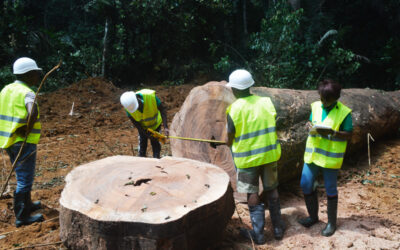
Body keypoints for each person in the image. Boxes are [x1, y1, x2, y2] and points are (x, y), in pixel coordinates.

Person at [225, 69, 285, 244]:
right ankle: (278, 228)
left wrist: (226, 142)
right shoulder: (266, 102)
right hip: (269, 155)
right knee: (272, 189)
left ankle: (258, 234)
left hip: (247, 159)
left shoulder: (233, 109)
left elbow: (229, 138)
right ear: (251, 86)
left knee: (252, 192)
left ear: (234, 90)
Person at [298, 79, 353, 237]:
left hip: (330, 158)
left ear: (336, 98)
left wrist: (333, 133)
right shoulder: (315, 106)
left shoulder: (344, 112)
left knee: (330, 188)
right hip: (313, 153)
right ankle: (313, 217)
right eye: (321, 98)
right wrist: (309, 126)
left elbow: (349, 134)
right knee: (305, 183)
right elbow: (310, 121)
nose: (323, 102)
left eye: (327, 100)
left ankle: (331, 223)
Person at [0, 57, 44, 227]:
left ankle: (28, 204)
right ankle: (22, 216)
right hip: (23, 142)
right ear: (28, 74)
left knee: (21, 175)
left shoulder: (5, 90)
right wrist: (26, 128)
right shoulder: (27, 92)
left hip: (8, 140)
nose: (37, 77)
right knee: (25, 178)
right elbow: (32, 112)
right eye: (35, 74)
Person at [120, 89, 169, 158]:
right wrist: (145, 133)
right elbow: (136, 123)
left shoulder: (151, 97)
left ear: (137, 98)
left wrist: (166, 127)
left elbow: (163, 110)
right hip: (143, 128)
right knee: (142, 150)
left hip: (155, 125)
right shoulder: (128, 108)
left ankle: (157, 162)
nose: (136, 109)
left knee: (156, 148)